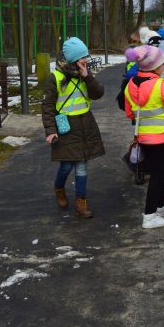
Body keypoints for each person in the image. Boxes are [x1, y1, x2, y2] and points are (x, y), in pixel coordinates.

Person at [42, 37, 105, 219]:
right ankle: (59, 188)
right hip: (65, 126)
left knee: (82, 166)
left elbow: (98, 93)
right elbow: (47, 106)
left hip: (85, 125)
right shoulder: (55, 77)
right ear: (73, 59)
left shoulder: (85, 74)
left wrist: (88, 77)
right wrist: (50, 130)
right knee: (66, 165)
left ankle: (81, 202)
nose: (86, 59)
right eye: (83, 57)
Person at [124, 44, 164, 229]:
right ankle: (150, 216)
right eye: (162, 63)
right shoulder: (161, 85)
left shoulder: (130, 84)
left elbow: (130, 113)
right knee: (158, 176)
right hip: (162, 137)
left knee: (159, 173)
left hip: (144, 137)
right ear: (156, 66)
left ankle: (160, 207)